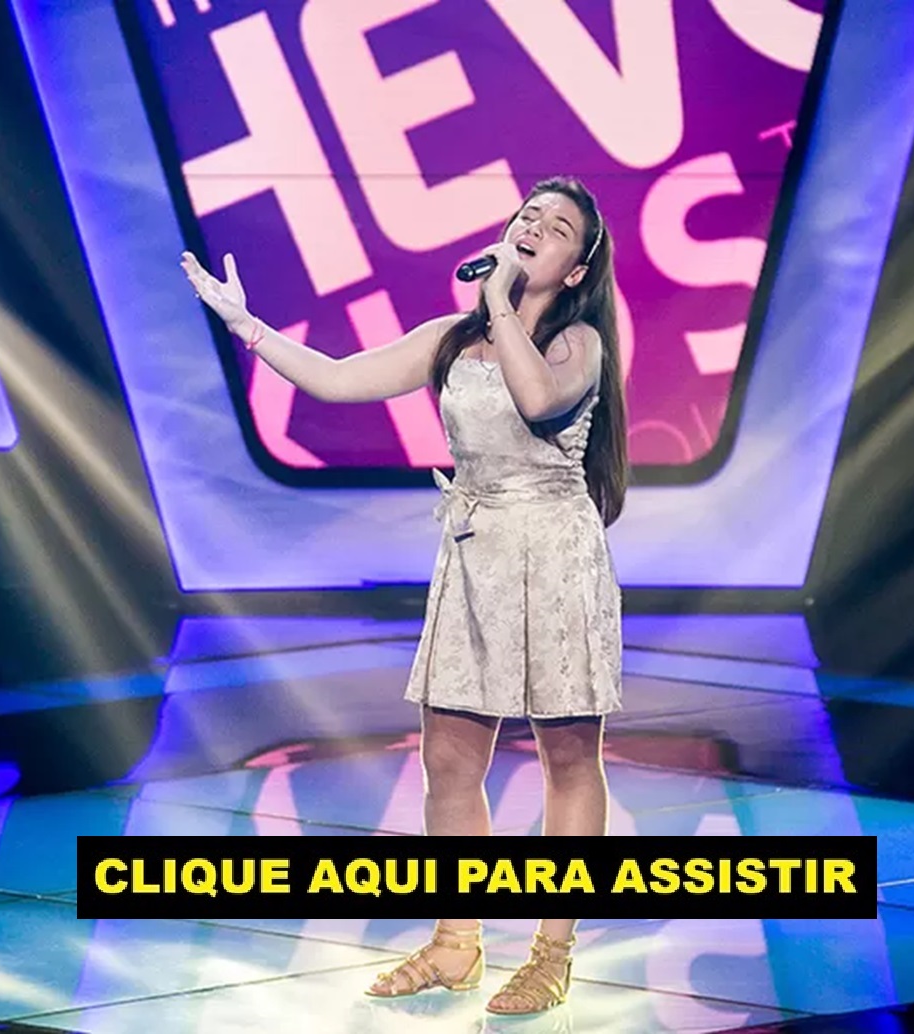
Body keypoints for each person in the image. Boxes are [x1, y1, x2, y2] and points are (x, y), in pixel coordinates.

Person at [181, 176, 627, 1016]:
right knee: (449, 760)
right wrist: (245, 325)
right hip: (474, 555)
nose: (533, 225)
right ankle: (457, 941)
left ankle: (551, 953)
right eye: (527, 214)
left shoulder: (579, 344)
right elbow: (336, 379)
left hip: (554, 555)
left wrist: (500, 300)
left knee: (568, 758)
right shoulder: (450, 340)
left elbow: (535, 398)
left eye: (557, 226)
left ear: (575, 270)